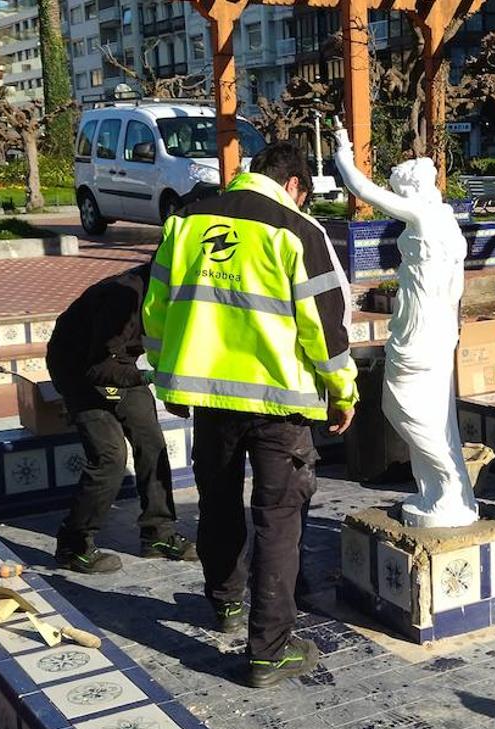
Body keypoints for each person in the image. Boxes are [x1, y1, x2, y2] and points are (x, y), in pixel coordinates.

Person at [142, 141, 358, 688]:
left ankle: (225, 603)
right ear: (294, 185)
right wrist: (343, 392)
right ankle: (269, 650)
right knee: (278, 518)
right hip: (280, 404)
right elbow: (324, 328)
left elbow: (156, 311)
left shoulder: (184, 223)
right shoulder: (297, 231)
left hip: (210, 398)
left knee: (217, 501)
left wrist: (169, 380)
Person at [331, 119, 479, 528]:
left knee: (400, 404)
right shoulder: (445, 220)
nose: (398, 198)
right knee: (433, 410)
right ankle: (440, 491)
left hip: (421, 324)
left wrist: (343, 151)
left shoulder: (424, 214)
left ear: (413, 189)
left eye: (400, 191)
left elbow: (363, 190)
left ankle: (448, 481)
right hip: (436, 322)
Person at [47, 264, 196, 574]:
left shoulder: (179, 289)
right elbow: (97, 368)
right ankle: (73, 545)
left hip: (119, 363)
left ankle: (158, 533)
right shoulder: (123, 295)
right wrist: (149, 377)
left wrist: (173, 391)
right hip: (78, 368)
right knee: (110, 456)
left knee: (151, 442)